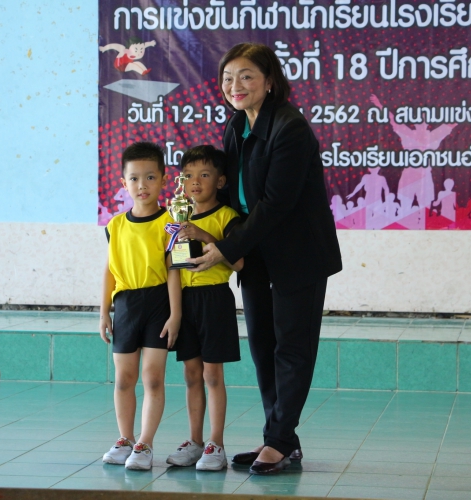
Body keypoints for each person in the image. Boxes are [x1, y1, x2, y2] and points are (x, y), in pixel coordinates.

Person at [188, 43, 342, 475]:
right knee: (263, 347)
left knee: (291, 347)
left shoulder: (290, 128)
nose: (234, 85)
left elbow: (276, 204)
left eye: (246, 76)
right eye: (227, 78)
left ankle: (278, 440)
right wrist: (209, 233)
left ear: (270, 81)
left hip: (297, 255)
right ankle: (281, 438)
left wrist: (226, 249)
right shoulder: (236, 125)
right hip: (254, 253)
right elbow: (231, 196)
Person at [99, 142, 181, 471]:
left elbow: (174, 270)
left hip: (159, 303)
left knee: (153, 378)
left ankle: (145, 444)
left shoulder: (171, 223)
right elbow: (110, 270)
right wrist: (104, 311)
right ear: (123, 183)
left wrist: (175, 314)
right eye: (134, 178)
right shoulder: (115, 225)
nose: (142, 185)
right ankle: (125, 439)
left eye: (150, 177)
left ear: (163, 179)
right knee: (124, 378)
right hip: (126, 305)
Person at [165, 145, 244, 471]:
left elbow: (239, 263)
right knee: (191, 374)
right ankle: (195, 441)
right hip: (186, 302)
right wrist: (174, 312)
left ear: (221, 181)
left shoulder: (228, 217)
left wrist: (202, 234)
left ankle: (216, 444)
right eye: (188, 175)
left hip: (215, 299)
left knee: (213, 374)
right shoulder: (176, 218)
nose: (195, 182)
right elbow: (174, 265)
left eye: (204, 174)